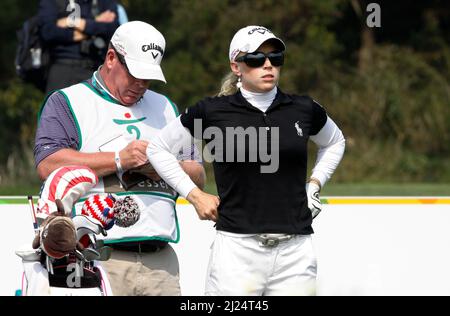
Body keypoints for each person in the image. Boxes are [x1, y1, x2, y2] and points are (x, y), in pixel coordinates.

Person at [147, 25, 346, 296]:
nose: (268, 65)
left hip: (296, 251)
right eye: (256, 59)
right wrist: (194, 196)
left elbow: (335, 142)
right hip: (236, 252)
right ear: (236, 66)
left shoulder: (303, 108)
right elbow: (158, 148)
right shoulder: (212, 111)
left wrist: (314, 184)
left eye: (276, 58)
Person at [34, 21, 206, 296]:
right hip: (95, 256)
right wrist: (118, 159)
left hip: (160, 261)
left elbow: (198, 174)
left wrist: (160, 166)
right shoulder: (67, 101)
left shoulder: (166, 107)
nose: (141, 85)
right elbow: (48, 162)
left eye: (148, 78)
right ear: (112, 58)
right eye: (135, 74)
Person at [38, 0, 120, 93]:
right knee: (59, 106)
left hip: (95, 69)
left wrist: (72, 22)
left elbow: (113, 30)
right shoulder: (54, 2)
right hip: (62, 69)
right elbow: (48, 32)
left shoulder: (104, 2)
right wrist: (95, 23)